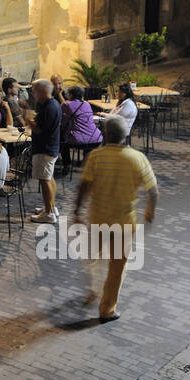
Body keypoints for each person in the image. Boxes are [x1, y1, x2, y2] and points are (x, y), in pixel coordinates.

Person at [71, 116, 158, 322]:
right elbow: (153, 190)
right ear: (125, 135)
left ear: (105, 134)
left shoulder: (95, 156)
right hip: (124, 223)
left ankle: (94, 288)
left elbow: (83, 186)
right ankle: (107, 309)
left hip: (98, 219)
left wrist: (77, 210)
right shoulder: (137, 158)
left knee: (93, 256)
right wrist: (149, 211)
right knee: (117, 267)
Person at [28, 79, 62, 224]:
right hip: (51, 146)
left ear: (41, 92)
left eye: (34, 90)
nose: (32, 93)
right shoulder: (53, 104)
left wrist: (28, 120)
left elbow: (40, 129)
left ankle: (48, 214)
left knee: (45, 180)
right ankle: (51, 207)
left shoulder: (49, 107)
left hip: (44, 148)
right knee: (49, 177)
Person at [61, 86, 103, 150]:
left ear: (71, 94)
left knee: (62, 140)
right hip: (96, 137)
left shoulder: (66, 104)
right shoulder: (86, 104)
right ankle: (86, 158)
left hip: (78, 139)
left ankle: (66, 160)